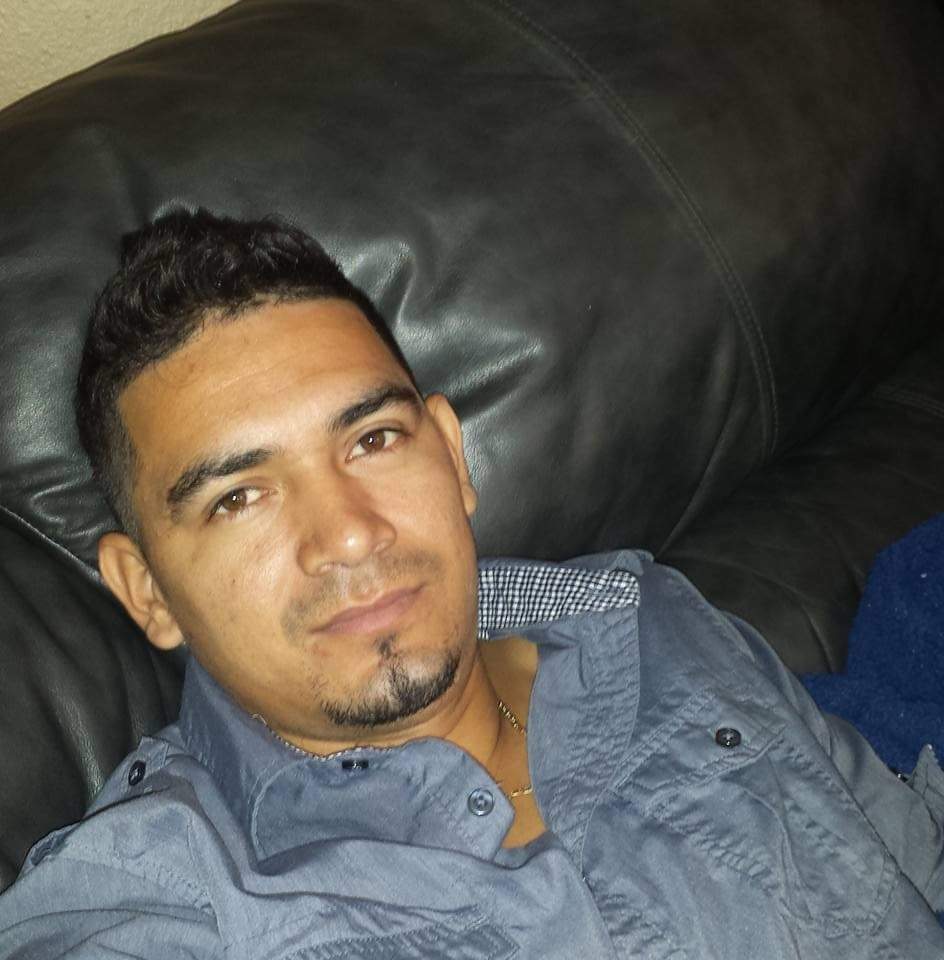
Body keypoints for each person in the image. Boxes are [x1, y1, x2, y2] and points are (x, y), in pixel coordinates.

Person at [1, 208, 943, 958]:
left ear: (452, 457)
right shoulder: (161, 899)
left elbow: (908, 861)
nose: (349, 534)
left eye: (373, 439)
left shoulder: (648, 616)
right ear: (147, 592)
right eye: (239, 496)